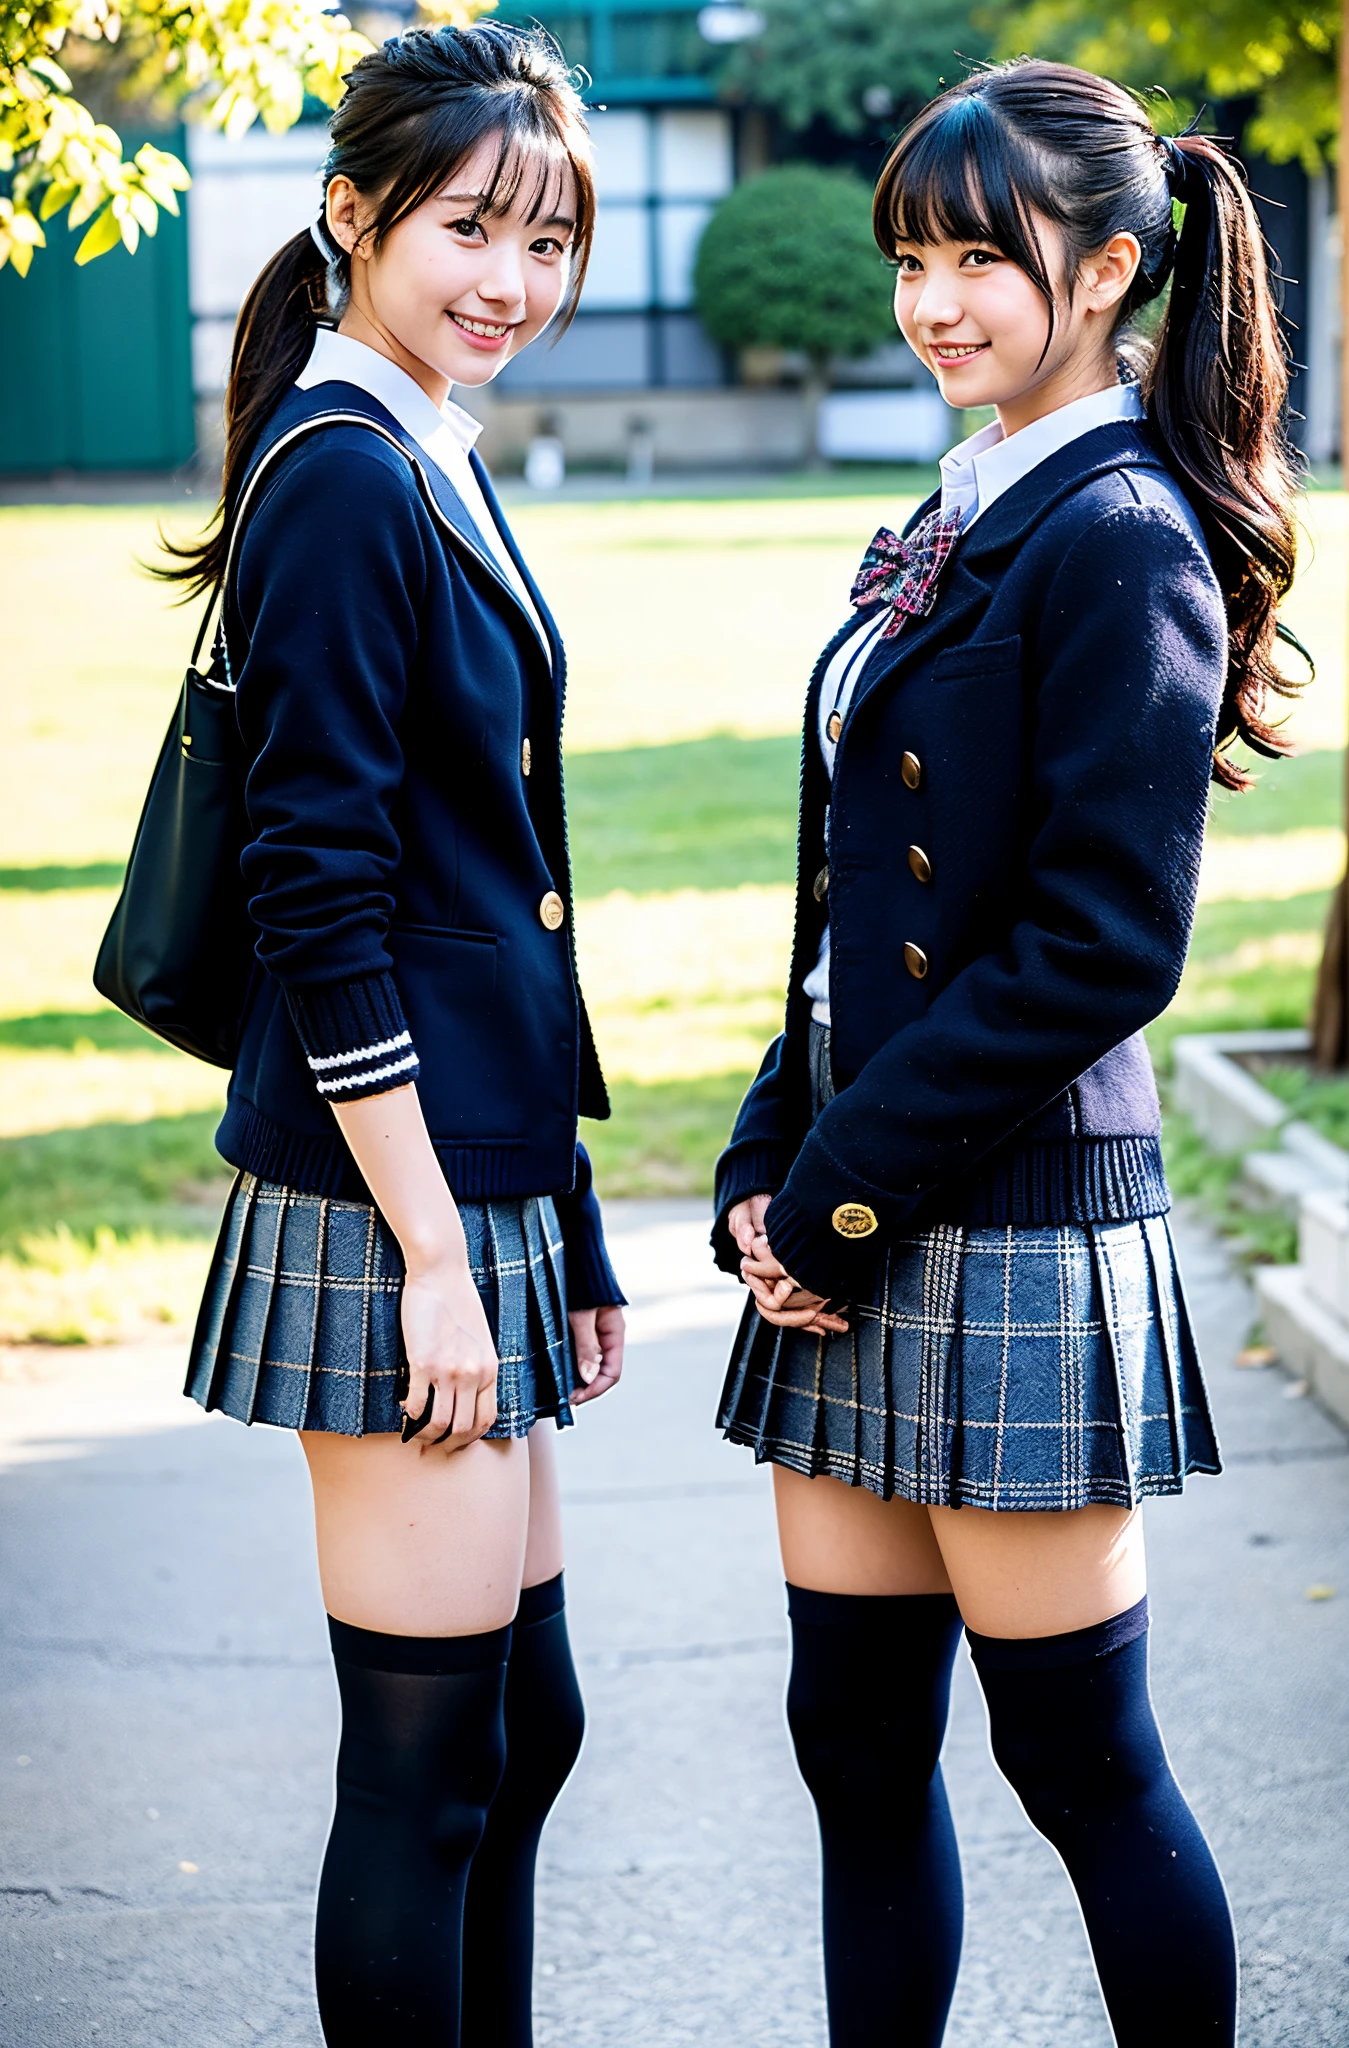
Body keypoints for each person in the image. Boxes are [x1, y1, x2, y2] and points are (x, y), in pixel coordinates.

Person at [713, 60, 1303, 2048]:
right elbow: (849, 893)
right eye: (909, 255)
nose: (931, 300)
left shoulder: (1114, 528)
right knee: (853, 1765)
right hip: (846, 1209)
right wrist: (759, 1149)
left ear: (1114, 267)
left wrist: (835, 1187)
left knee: (1082, 1772)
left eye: (981, 255)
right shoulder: (961, 502)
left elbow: (1096, 943)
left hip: (1011, 1225)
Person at [165, 25, 624, 2045]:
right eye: (468, 229)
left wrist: (573, 1221)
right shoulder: (345, 477)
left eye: (546, 242)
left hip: (483, 1165)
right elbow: (320, 898)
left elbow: (500, 883)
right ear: (353, 213)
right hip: (392, 1198)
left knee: (520, 1735)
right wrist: (443, 1253)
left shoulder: (417, 433)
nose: (509, 282)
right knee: (426, 1775)